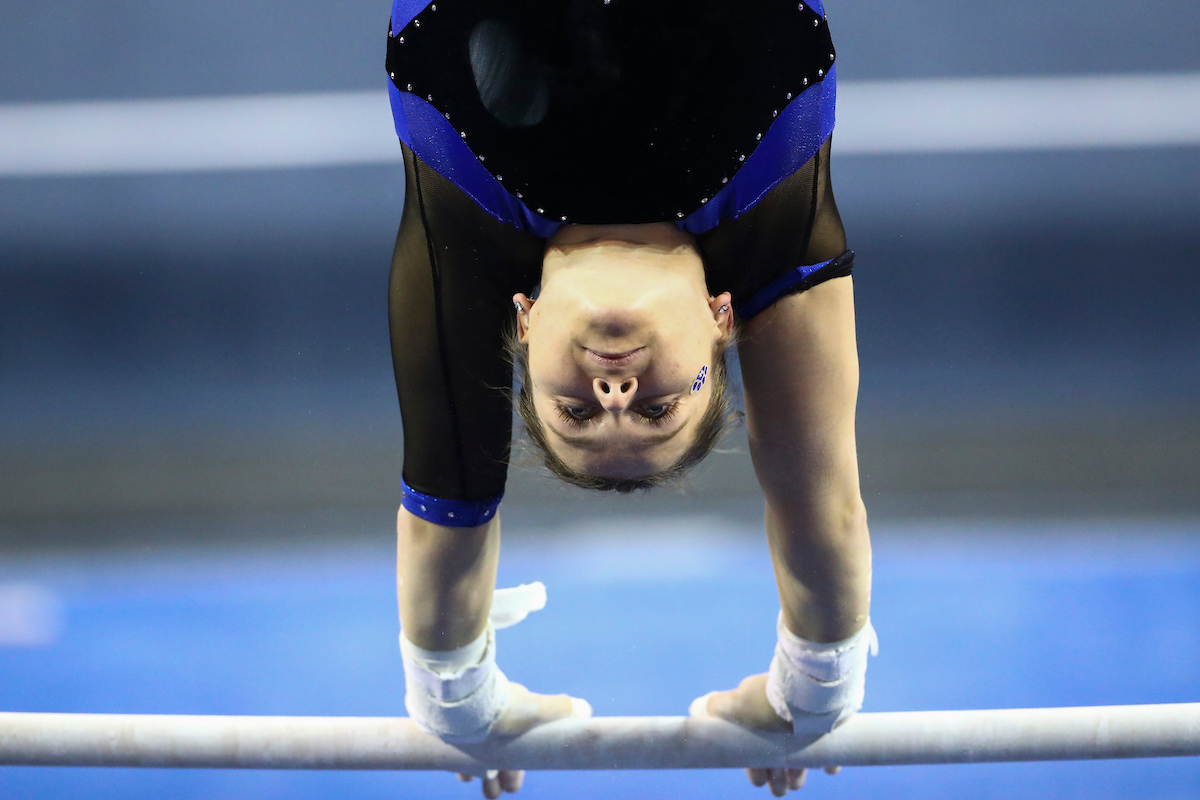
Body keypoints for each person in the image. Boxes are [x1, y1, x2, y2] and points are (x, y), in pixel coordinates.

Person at [386, 1, 874, 796]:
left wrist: (464, 704)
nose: (615, 392)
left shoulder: (461, 249)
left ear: (523, 320)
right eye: (657, 411)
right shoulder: (774, 229)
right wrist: (810, 694)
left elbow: (445, 515)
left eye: (575, 413)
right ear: (724, 322)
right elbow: (824, 505)